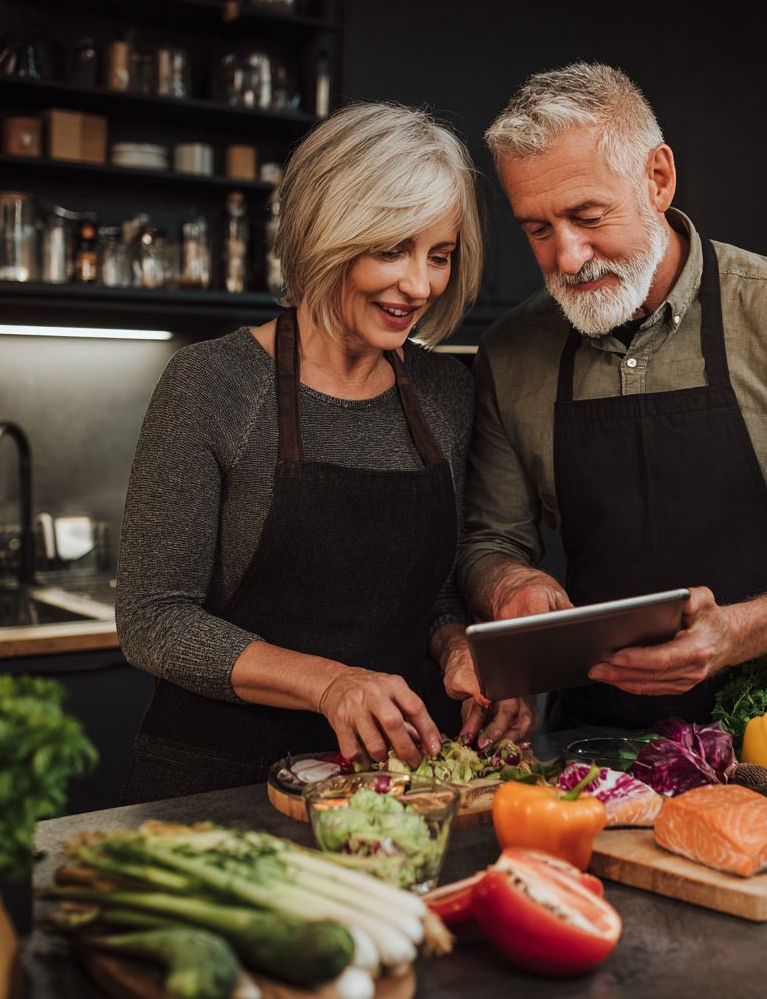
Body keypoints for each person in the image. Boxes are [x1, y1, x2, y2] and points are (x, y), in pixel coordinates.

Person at [452, 63, 767, 734]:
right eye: (537, 229)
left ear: (657, 179)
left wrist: (737, 632)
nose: (567, 257)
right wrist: (508, 584)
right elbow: (488, 540)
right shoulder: (512, 352)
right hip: (593, 738)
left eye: (587, 216)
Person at [117, 103, 526, 803]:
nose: (420, 286)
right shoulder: (211, 383)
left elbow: (429, 592)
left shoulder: (445, 393)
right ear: (325, 236)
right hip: (215, 783)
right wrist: (329, 684)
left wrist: (461, 648)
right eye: (392, 249)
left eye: (440, 255)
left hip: (387, 785)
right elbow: (154, 621)